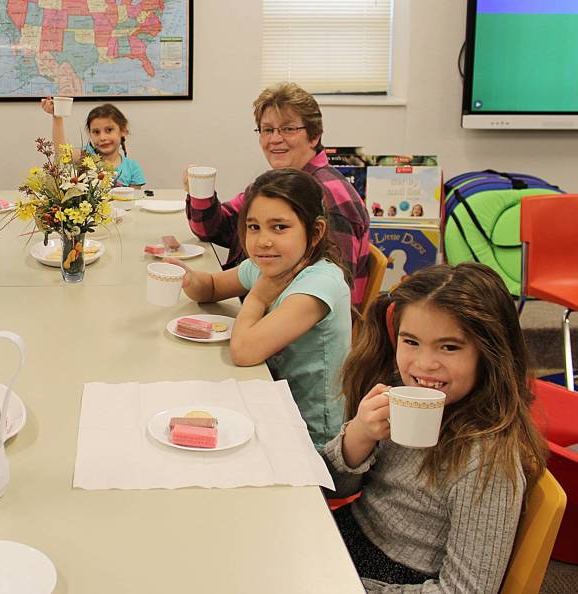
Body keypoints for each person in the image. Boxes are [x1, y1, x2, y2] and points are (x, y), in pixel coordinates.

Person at [325, 262, 546, 593]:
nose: (424, 365)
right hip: (349, 535)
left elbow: (465, 590)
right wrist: (357, 436)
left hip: (396, 579)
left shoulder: (486, 462)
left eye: (450, 346)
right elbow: (331, 489)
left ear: (489, 353)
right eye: (411, 341)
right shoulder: (398, 392)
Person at [169, 168, 351, 447]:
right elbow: (213, 287)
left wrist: (257, 298)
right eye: (254, 227)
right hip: (269, 404)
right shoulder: (271, 265)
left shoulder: (319, 284)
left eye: (280, 227)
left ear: (315, 233)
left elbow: (244, 351)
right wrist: (189, 278)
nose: (264, 241)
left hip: (309, 437)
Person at [184, 82, 370, 307]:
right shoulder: (276, 184)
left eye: (288, 129)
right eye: (267, 130)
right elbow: (214, 229)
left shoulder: (330, 199)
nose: (274, 139)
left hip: (290, 330)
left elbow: (334, 299)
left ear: (314, 136)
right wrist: (200, 192)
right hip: (253, 306)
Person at [40, 99, 145, 188]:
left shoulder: (133, 168)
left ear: (123, 130)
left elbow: (134, 202)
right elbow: (62, 153)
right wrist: (57, 116)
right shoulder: (86, 156)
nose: (102, 137)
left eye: (109, 130)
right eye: (96, 132)